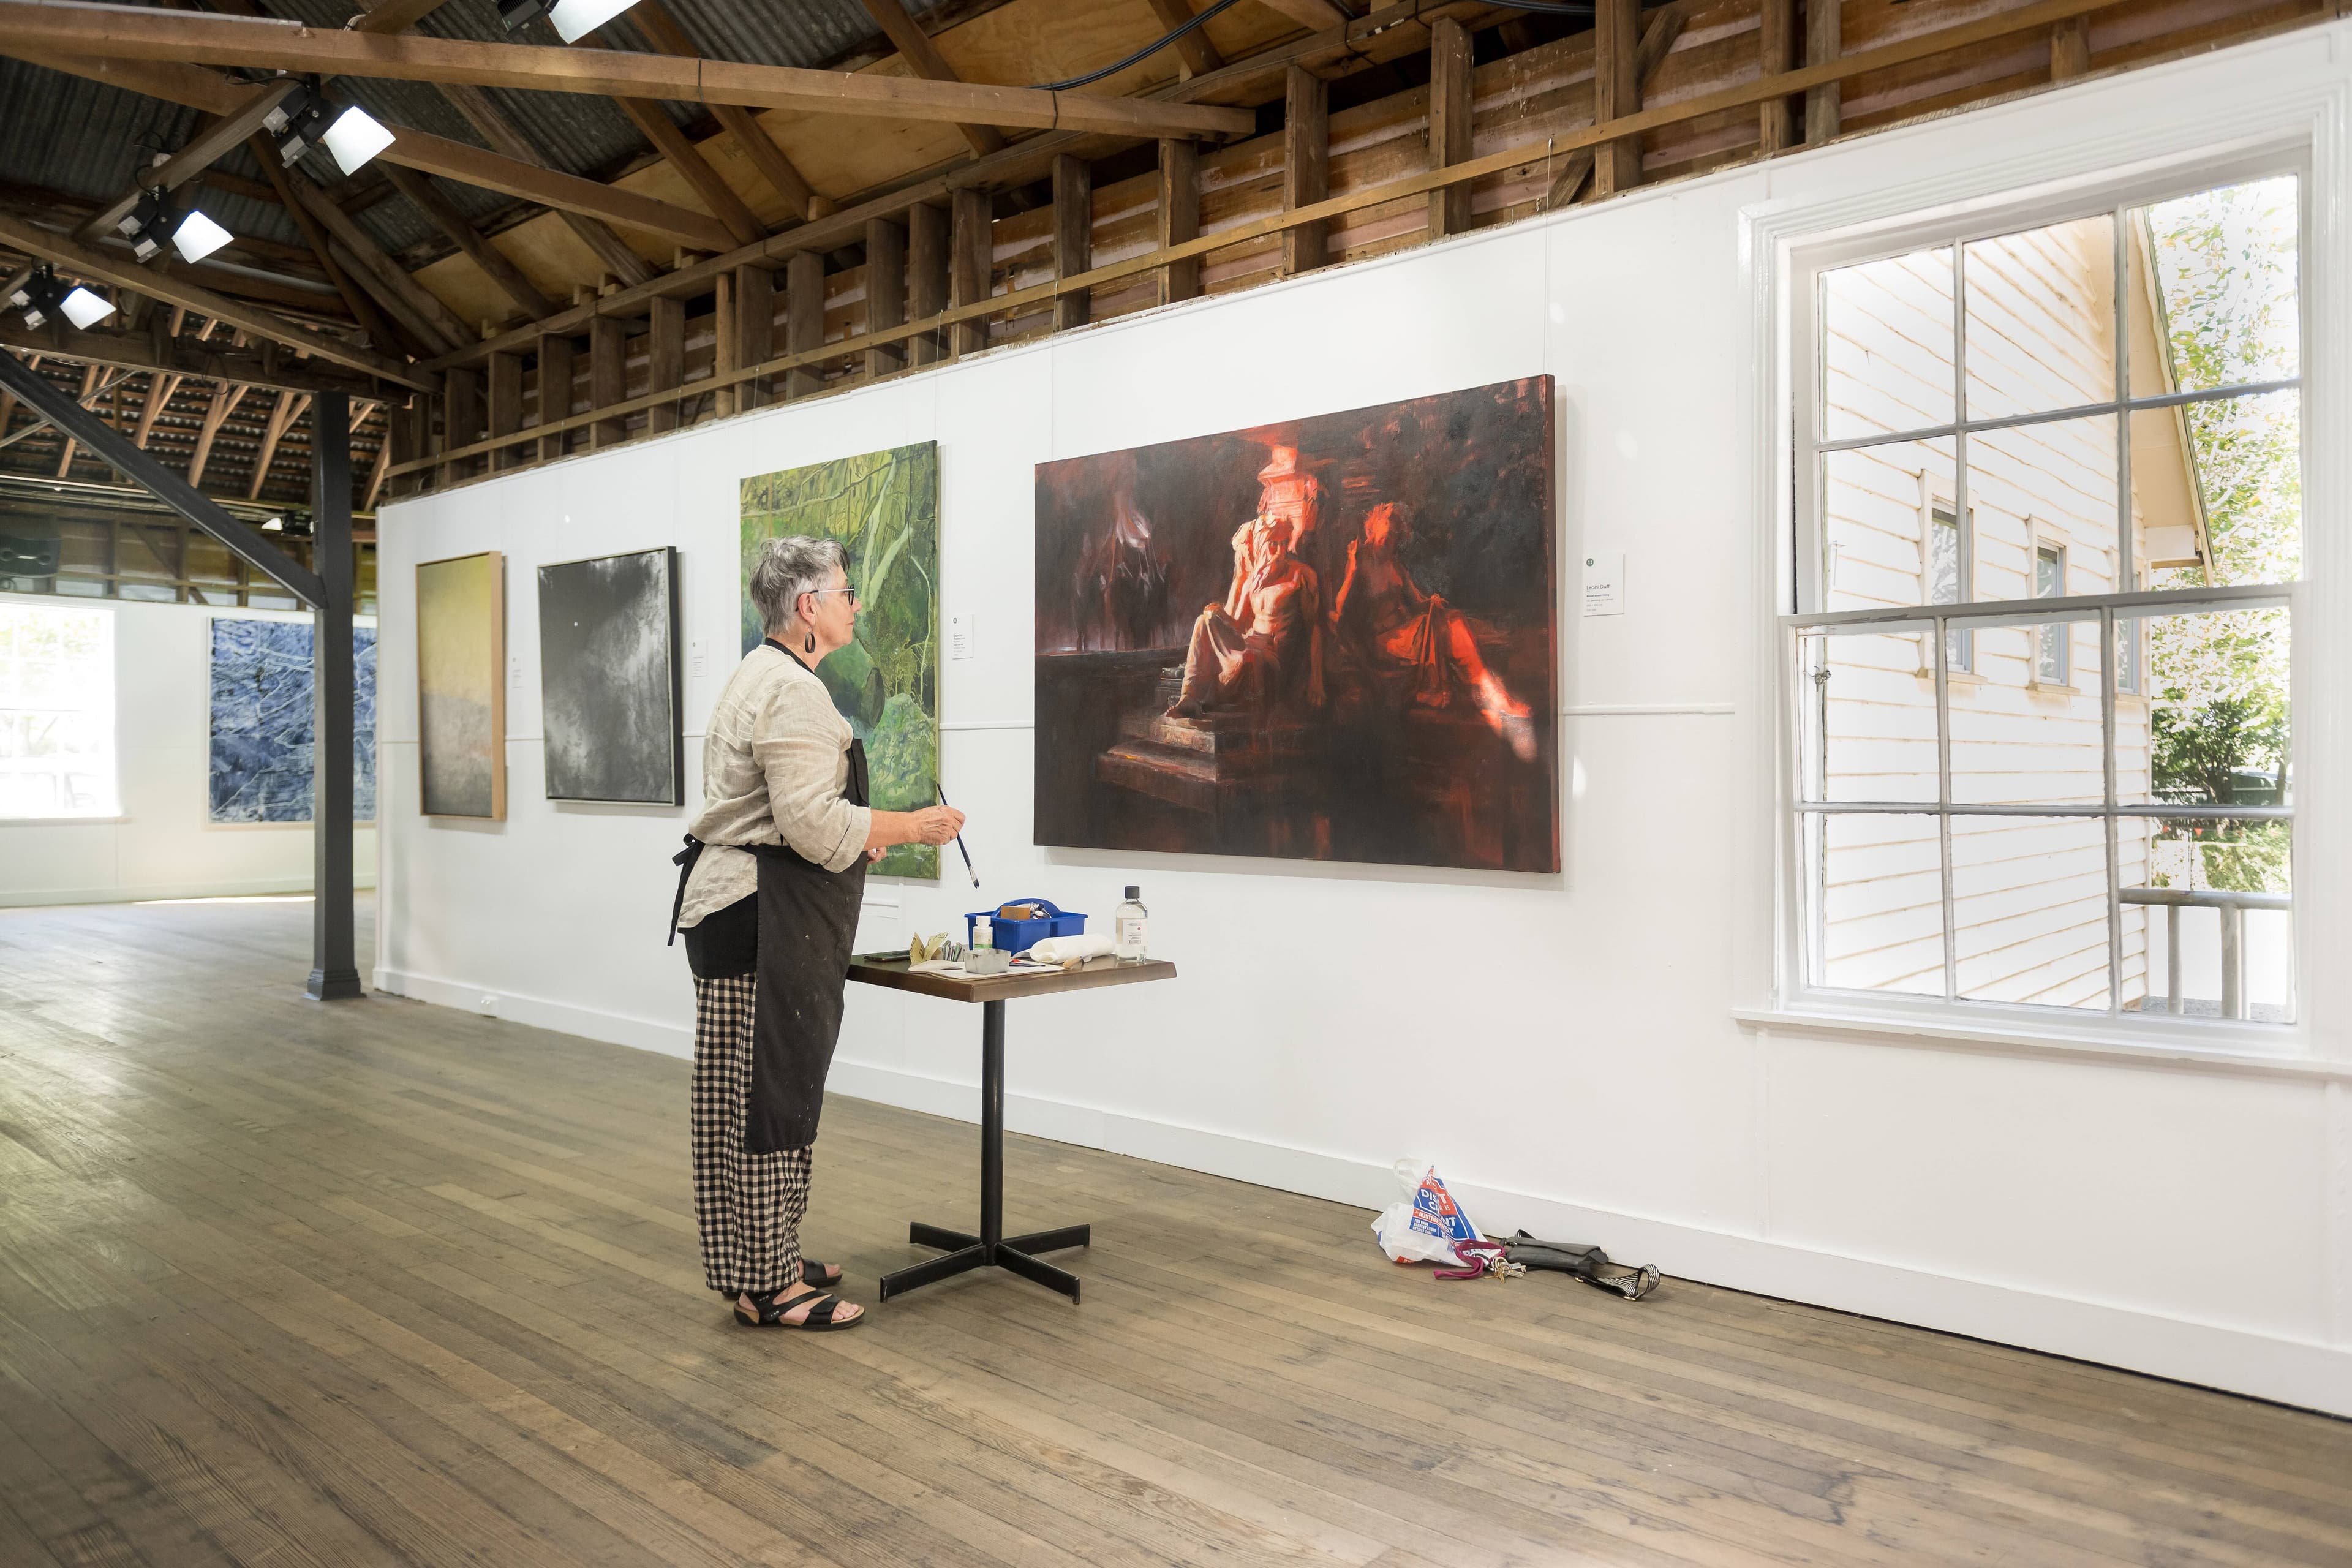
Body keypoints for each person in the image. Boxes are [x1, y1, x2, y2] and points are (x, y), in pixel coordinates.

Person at [668, 536, 963, 1332]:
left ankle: (763, 1258)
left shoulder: (765, 675)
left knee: (757, 1092)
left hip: (747, 908)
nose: (853, 605)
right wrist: (912, 825)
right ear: (807, 608)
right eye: (844, 592)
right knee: (769, 1097)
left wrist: (866, 833)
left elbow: (791, 816)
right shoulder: (792, 691)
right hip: (760, 913)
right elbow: (808, 823)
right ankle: (771, 1289)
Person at [1327, 501, 1535, 760]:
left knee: (1454, 618)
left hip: (1405, 632)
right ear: (1372, 528)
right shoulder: (1358, 561)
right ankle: (1492, 697)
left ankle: (1491, 696)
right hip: (1384, 642)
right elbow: (1340, 609)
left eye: (1394, 537)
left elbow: (1417, 602)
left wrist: (1432, 602)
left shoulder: (1396, 566)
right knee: (1451, 624)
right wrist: (1351, 572)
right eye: (1386, 533)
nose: (1390, 540)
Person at [1165, 510, 1325, 720]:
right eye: (1273, 544)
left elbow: (1315, 628)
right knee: (1204, 622)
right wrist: (1218, 613)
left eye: (1283, 543)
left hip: (1273, 656)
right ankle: (1189, 696)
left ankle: (1209, 698)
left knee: (1246, 659)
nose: (1280, 551)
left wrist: (1317, 678)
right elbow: (1238, 624)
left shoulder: (1302, 575)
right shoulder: (1253, 581)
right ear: (1261, 545)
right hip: (1250, 642)